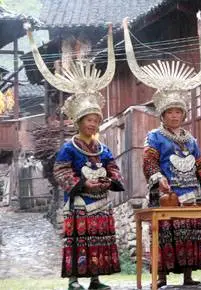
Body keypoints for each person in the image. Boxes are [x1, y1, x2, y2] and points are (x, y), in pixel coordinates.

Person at [124, 14, 201, 287]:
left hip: (190, 193)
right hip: (166, 194)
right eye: (171, 112)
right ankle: (162, 275)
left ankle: (189, 275)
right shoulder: (154, 136)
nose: (176, 116)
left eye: (179, 111)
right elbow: (149, 162)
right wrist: (158, 179)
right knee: (165, 233)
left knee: (190, 232)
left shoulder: (190, 138)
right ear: (163, 114)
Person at [32, 24, 125, 290]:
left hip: (100, 200)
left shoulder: (103, 148)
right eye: (88, 120)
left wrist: (109, 181)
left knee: (99, 239)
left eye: (96, 120)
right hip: (79, 202)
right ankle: (74, 280)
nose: (93, 124)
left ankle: (96, 279)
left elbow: (113, 168)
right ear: (79, 122)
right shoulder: (69, 147)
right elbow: (61, 172)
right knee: (78, 240)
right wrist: (83, 184)